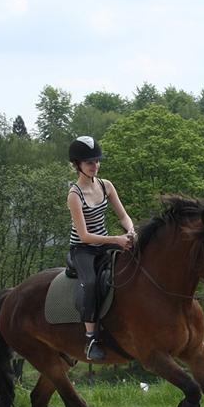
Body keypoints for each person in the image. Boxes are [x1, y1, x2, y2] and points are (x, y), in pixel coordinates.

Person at [67, 136, 136, 360]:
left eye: (97, 161)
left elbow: (123, 216)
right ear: (78, 165)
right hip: (83, 249)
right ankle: (90, 339)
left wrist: (131, 230)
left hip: (106, 244)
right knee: (91, 283)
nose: (95, 166)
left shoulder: (106, 186)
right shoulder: (74, 195)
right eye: (89, 163)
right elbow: (85, 236)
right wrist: (116, 239)